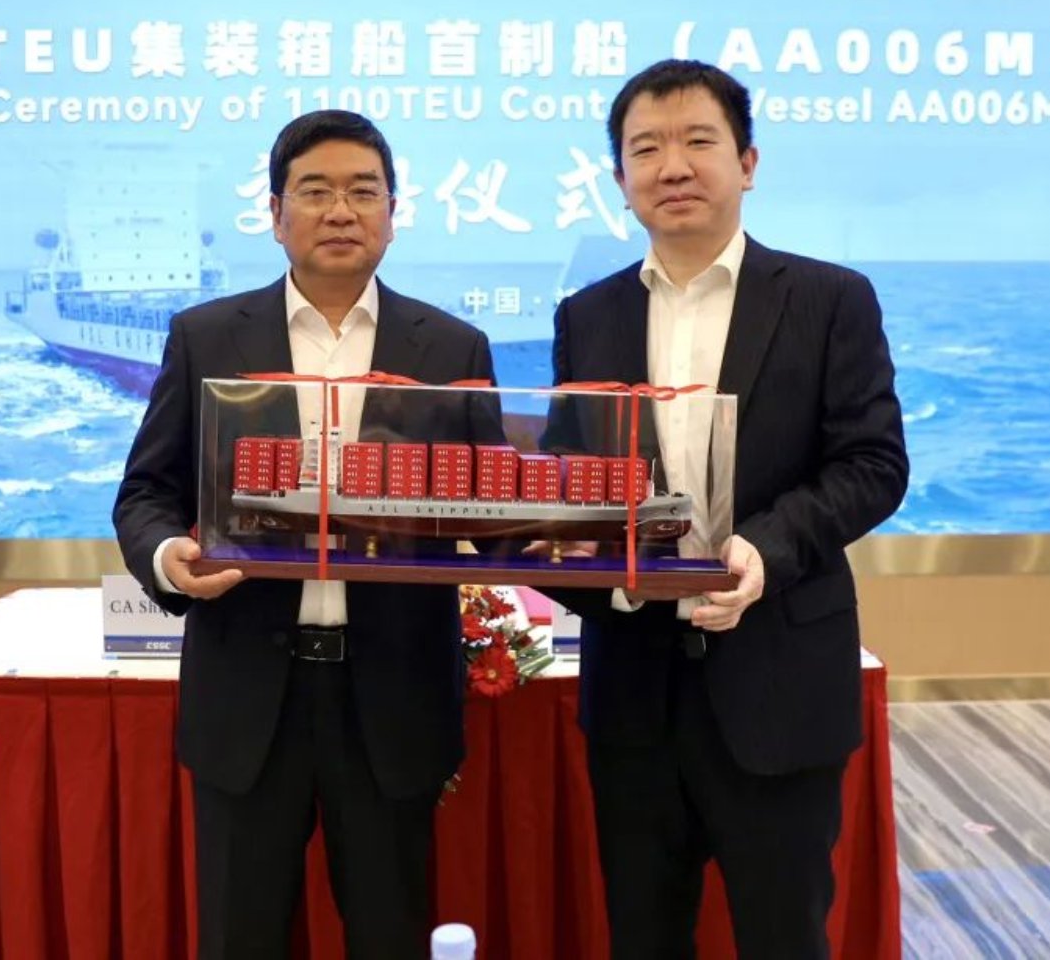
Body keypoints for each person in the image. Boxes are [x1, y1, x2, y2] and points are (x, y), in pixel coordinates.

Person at [544, 60, 909, 958]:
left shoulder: (828, 299)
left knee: (785, 937)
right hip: (633, 697)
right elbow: (568, 484)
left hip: (779, 682)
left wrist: (762, 550)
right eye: (645, 149)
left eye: (697, 141)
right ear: (619, 179)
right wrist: (604, 571)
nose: (672, 166)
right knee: (643, 937)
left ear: (747, 163)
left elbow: (872, 465)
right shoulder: (585, 317)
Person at [113, 110, 497, 960]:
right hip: (248, 697)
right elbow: (145, 493)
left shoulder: (451, 347)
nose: (340, 211)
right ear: (275, 213)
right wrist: (169, 559)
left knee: (391, 935)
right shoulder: (206, 337)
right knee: (240, 937)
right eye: (315, 191)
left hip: (393, 699)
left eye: (364, 191)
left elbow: (489, 500)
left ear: (393, 212)